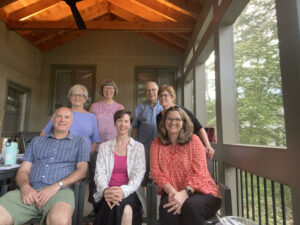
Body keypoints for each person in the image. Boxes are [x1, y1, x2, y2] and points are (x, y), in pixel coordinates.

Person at [0, 107, 89, 225]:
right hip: (29, 191)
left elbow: (82, 171)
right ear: (53, 119)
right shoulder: (37, 141)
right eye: (59, 116)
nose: (62, 119)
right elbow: (24, 170)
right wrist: (25, 187)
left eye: (66, 117)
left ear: (71, 121)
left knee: (60, 221)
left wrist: (56, 186)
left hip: (60, 192)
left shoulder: (80, 142)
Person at [150, 106, 221, 225]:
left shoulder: (194, 140)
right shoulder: (156, 144)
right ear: (164, 122)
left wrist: (183, 194)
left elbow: (200, 173)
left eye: (177, 119)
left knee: (190, 206)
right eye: (169, 119)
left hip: (202, 191)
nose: (173, 122)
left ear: (183, 123)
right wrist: (174, 194)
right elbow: (156, 172)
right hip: (171, 191)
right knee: (167, 209)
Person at [93, 110, 146, 225]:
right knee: (124, 210)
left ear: (130, 124)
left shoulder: (138, 148)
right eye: (119, 121)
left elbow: (137, 177)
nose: (123, 124)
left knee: (124, 209)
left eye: (126, 121)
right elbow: (99, 174)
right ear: (115, 123)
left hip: (131, 192)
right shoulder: (104, 147)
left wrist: (122, 191)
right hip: (106, 192)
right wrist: (106, 190)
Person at [89, 79, 124, 205]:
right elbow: (90, 126)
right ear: (102, 91)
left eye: (111, 88)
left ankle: (111, 203)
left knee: (111, 176)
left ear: (115, 91)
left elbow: (122, 127)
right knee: (95, 176)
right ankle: (95, 205)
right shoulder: (94, 106)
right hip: (97, 147)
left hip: (113, 147)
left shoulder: (119, 107)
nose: (108, 90)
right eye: (106, 88)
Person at [156, 85, 215, 159]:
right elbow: (162, 135)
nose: (162, 98)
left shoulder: (181, 110)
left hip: (191, 146)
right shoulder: (159, 117)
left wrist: (208, 146)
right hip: (174, 150)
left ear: (172, 97)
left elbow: (199, 127)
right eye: (160, 96)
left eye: (165, 95)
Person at [41, 84, 100, 153]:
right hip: (61, 154)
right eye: (73, 95)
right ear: (69, 98)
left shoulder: (92, 117)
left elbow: (94, 139)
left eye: (80, 95)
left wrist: (89, 156)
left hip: (83, 156)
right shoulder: (60, 113)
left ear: (85, 99)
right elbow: (44, 132)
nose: (77, 97)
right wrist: (42, 149)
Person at [131, 81, 163, 183]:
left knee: (159, 177)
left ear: (158, 91)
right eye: (148, 90)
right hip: (143, 147)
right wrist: (131, 145)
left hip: (161, 148)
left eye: (153, 90)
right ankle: (143, 198)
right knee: (142, 177)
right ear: (145, 93)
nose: (151, 92)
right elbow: (135, 127)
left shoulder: (164, 107)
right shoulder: (139, 108)